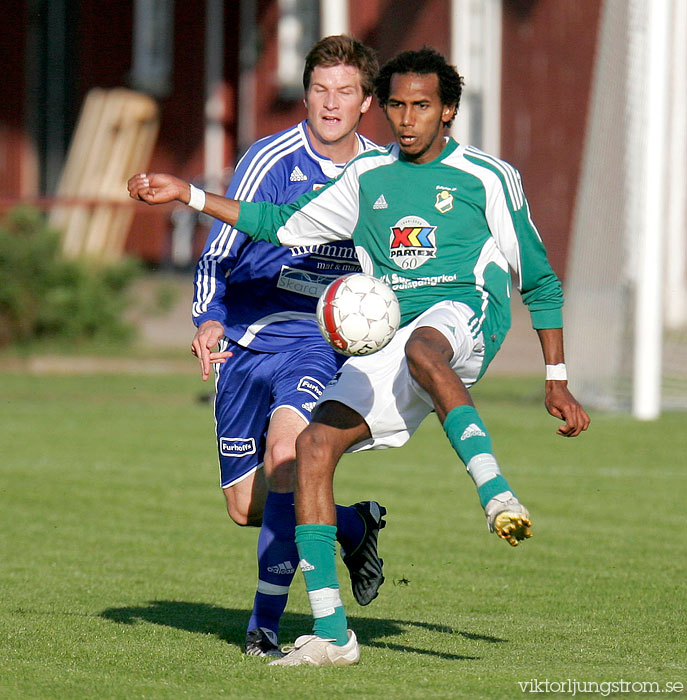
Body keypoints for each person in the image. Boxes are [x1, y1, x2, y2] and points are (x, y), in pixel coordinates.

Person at [128, 47, 591, 667]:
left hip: (460, 317)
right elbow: (281, 223)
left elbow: (540, 281)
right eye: (398, 105)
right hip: (364, 335)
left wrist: (555, 379)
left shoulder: (488, 176)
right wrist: (189, 193)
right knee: (309, 455)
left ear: (447, 111)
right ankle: (332, 634)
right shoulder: (367, 177)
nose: (406, 118)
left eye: (420, 106)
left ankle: (496, 493)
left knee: (423, 351)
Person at [188, 36, 386, 658]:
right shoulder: (267, 159)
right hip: (246, 340)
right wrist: (208, 319)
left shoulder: (381, 175)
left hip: (316, 345)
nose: (332, 104)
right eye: (321, 90)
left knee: (287, 456)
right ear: (305, 96)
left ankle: (263, 628)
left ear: (366, 102)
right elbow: (220, 248)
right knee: (247, 508)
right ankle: (354, 526)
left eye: (345, 92)